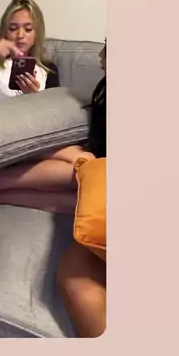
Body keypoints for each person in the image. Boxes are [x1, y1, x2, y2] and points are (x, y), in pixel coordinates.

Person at [0, 0, 97, 246]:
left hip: (31, 138)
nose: (20, 35)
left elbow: (53, 121)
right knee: (76, 175)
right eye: (13, 28)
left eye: (28, 28)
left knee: (85, 163)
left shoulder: (48, 69)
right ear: (4, 31)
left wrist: (35, 99)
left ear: (37, 33)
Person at [57, 42, 107, 337]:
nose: (100, 55)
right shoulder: (105, 90)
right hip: (98, 176)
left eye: (108, 47)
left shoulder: (47, 70)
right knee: (76, 283)